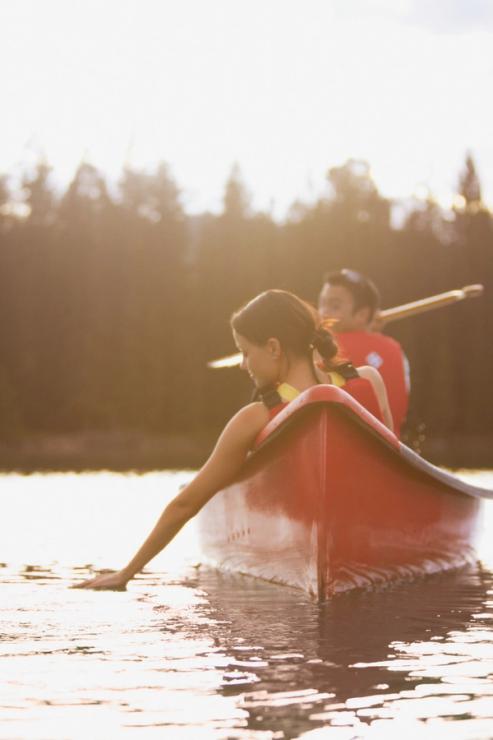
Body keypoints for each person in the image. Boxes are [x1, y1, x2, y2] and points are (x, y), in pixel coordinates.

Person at [75, 289, 393, 591]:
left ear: (272, 348)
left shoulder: (254, 418)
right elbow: (395, 461)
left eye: (245, 352)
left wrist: (126, 573)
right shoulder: (367, 381)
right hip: (373, 543)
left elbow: (186, 503)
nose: (242, 364)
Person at [318, 269, 409, 435]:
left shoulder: (320, 346)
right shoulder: (394, 348)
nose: (323, 312)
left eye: (334, 306)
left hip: (337, 441)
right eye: (322, 303)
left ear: (362, 314)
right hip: (387, 449)